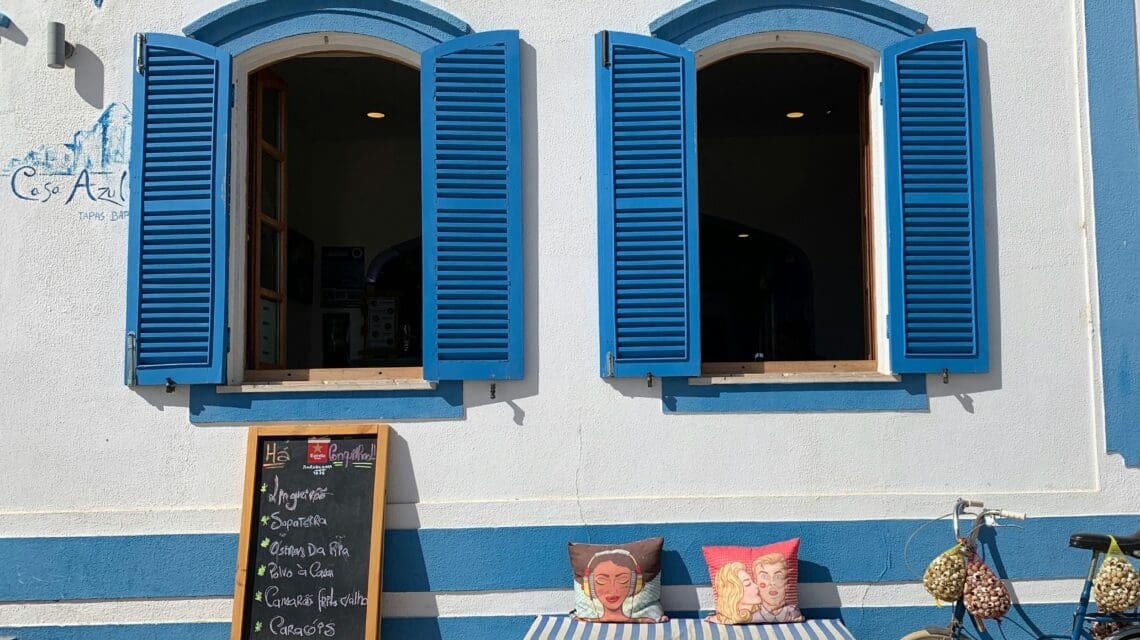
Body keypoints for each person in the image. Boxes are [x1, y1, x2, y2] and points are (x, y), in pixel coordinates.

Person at [576, 550, 661, 623]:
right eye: (602, 580)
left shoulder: (647, 619)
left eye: (622, 579)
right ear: (590, 586)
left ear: (635, 584)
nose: (612, 589)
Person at [750, 553, 804, 623]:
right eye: (764, 577)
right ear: (755, 581)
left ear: (787, 581)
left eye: (778, 577)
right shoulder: (750, 615)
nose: (772, 583)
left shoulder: (793, 614)